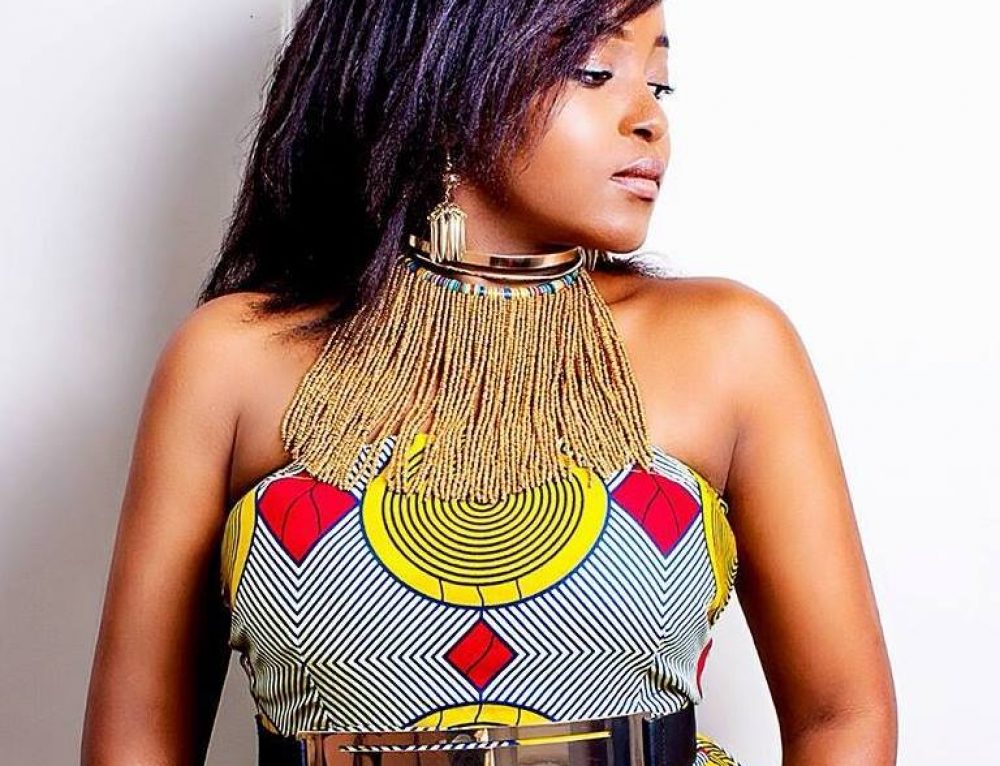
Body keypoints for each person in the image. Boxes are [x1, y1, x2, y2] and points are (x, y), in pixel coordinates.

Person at [81, 1, 897, 764]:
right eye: (594, 72)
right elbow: (135, 741)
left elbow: (843, 714)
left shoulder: (732, 347)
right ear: (442, 76)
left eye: (659, 83)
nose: (650, 119)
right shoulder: (231, 360)